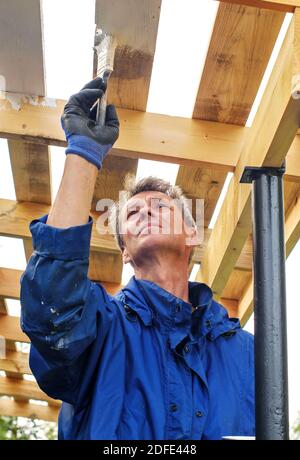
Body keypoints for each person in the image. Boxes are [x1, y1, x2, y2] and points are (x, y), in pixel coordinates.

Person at [20, 77, 255, 440]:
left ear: (192, 235)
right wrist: (83, 153)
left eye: (160, 206)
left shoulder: (246, 352)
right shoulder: (102, 328)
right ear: (125, 253)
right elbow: (53, 307)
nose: (146, 212)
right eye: (132, 214)